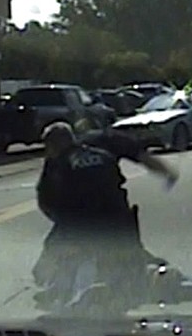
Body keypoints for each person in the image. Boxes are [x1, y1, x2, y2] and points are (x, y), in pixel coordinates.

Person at [33, 121, 180, 311]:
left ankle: (58, 289)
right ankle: (152, 272)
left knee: (47, 261)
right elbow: (129, 172)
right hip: (121, 223)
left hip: (82, 229)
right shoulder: (104, 153)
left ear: (53, 145)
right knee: (133, 254)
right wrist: (168, 173)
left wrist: (62, 223)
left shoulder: (58, 163)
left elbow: (47, 201)